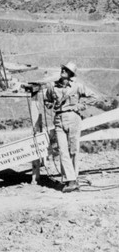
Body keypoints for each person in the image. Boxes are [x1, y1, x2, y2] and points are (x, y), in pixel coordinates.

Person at [44, 61, 98, 193]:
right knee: (63, 151)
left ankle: (73, 180)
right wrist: (50, 105)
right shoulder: (53, 87)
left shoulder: (77, 87)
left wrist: (80, 106)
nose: (63, 70)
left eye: (66, 70)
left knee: (74, 150)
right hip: (58, 119)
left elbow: (93, 97)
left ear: (71, 74)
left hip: (73, 118)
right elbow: (47, 100)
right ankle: (70, 180)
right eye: (63, 68)